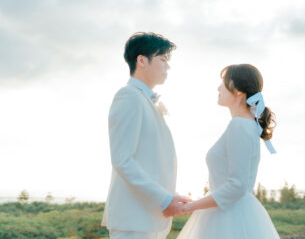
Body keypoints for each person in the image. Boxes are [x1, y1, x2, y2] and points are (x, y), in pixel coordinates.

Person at [102, 32, 191, 239]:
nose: (168, 67)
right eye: (163, 59)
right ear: (142, 61)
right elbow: (122, 160)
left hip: (149, 220)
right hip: (133, 222)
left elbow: (151, 161)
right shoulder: (128, 97)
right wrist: (164, 200)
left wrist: (170, 196)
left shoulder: (143, 99)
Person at [176, 64, 280, 238]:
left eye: (223, 83)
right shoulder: (248, 125)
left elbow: (236, 186)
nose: (219, 88)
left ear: (238, 91)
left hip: (228, 218)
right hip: (233, 213)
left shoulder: (240, 125)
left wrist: (190, 207)